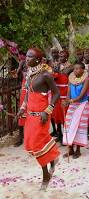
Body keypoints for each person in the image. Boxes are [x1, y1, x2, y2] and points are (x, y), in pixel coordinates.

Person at [17, 48, 60, 190]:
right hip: (30, 114)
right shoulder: (29, 73)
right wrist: (23, 108)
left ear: (38, 60)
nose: (27, 58)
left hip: (42, 115)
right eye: (27, 56)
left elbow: (56, 93)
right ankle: (53, 157)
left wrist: (48, 111)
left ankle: (46, 175)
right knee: (31, 143)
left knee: (36, 145)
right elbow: (29, 93)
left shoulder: (46, 75)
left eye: (30, 56)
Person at [62, 63, 89, 159]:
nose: (76, 70)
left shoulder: (86, 79)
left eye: (78, 68)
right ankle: (70, 149)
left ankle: (78, 150)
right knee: (69, 125)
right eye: (74, 68)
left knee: (79, 127)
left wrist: (71, 101)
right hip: (72, 104)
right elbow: (68, 93)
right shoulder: (71, 79)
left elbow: (82, 95)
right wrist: (66, 101)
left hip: (82, 105)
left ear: (83, 70)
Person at [51, 50, 73, 143]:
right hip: (56, 93)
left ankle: (66, 135)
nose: (60, 58)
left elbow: (71, 80)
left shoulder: (71, 67)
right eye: (59, 56)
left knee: (65, 114)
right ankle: (59, 134)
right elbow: (52, 78)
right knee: (57, 114)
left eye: (62, 56)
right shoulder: (56, 66)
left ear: (67, 57)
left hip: (65, 92)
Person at [14, 59, 27, 147]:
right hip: (24, 89)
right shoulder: (23, 62)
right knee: (22, 112)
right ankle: (20, 136)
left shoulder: (39, 65)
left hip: (34, 89)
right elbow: (16, 76)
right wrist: (19, 68)